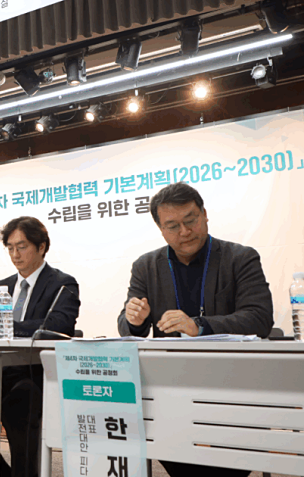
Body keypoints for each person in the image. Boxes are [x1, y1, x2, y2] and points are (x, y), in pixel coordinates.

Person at [117, 182, 273, 477]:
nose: (185, 231)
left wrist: (199, 326)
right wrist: (134, 321)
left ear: (204, 215)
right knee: (152, 432)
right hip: (171, 391)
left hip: (233, 388)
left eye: (190, 220)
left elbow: (259, 317)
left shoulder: (240, 258)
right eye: (173, 225)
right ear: (161, 230)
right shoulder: (146, 266)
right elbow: (127, 325)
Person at [0, 216, 80, 477]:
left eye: (21, 247)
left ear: (41, 247)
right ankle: (0, 472)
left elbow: (58, 326)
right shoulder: (1, 287)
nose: (15, 254)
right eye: (9, 248)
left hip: (37, 373)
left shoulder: (62, 284)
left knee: (22, 400)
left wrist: (2, 327)